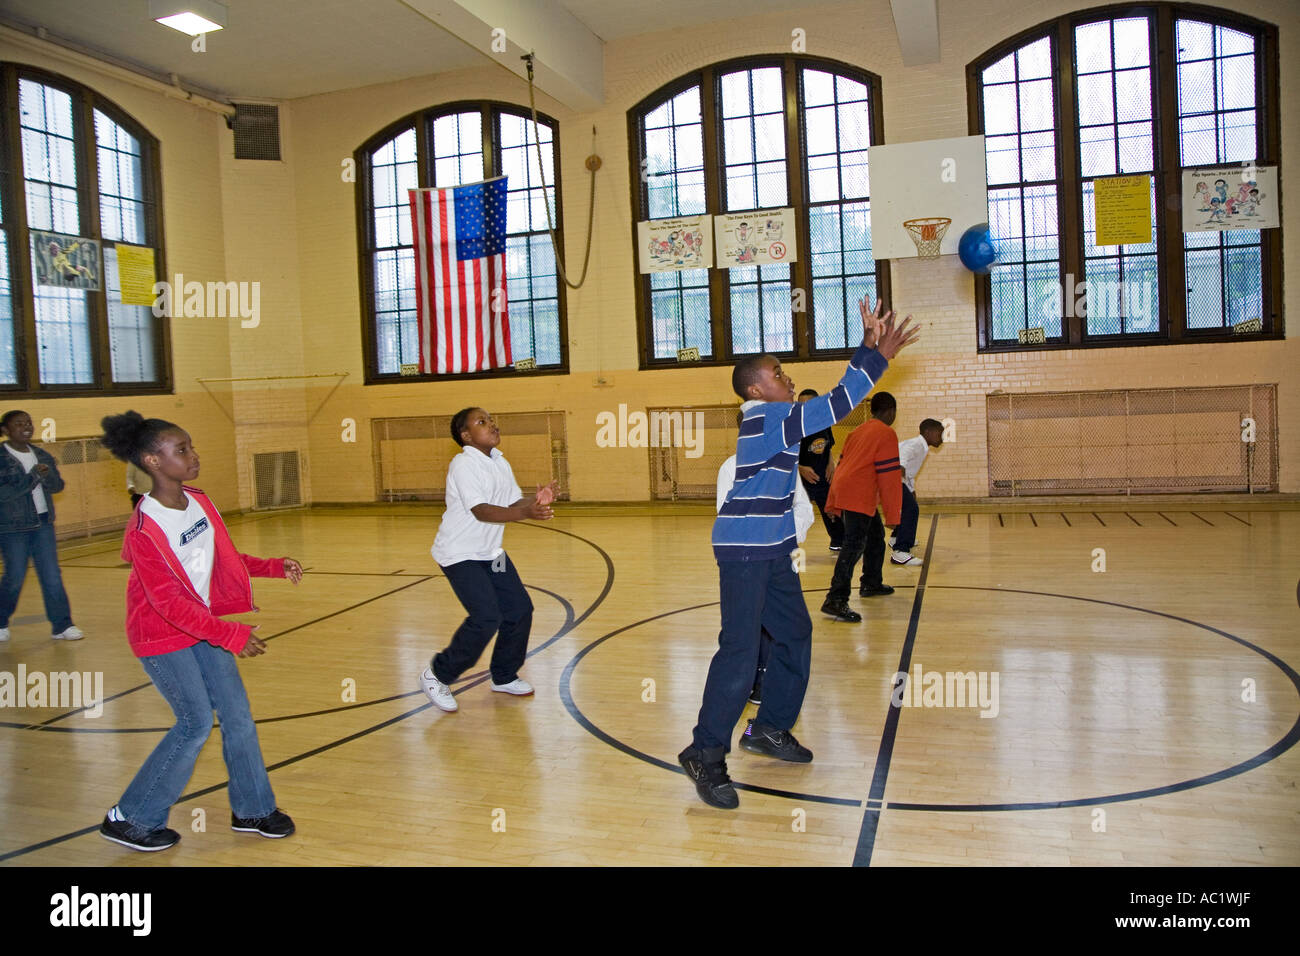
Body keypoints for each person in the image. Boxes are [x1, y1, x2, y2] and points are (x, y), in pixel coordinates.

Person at [679, 299, 918, 810]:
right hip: (745, 552)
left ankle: (768, 729)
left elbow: (828, 406)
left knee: (794, 634)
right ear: (754, 390)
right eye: (778, 374)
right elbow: (835, 404)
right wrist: (873, 352)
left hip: (773, 549)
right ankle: (704, 753)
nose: (786, 379)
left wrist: (870, 348)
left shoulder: (778, 419)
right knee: (740, 651)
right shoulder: (765, 419)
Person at [97, 411, 302, 851]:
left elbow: (221, 556)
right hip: (161, 636)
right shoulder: (145, 529)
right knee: (193, 723)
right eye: (182, 450)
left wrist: (270, 566)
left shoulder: (199, 501)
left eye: (191, 446)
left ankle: (253, 809)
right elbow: (167, 604)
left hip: (201, 626)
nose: (194, 456)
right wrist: (230, 635)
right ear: (152, 461)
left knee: (238, 718)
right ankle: (130, 817)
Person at [419, 407, 557, 713]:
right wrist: (525, 512)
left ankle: (504, 675)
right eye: (482, 422)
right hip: (460, 554)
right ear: (466, 436)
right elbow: (482, 510)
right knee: (486, 617)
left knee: (519, 609)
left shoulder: (499, 461)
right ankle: (437, 674)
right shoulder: (464, 464)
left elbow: (509, 502)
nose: (492, 425)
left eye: (491, 420)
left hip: (491, 553)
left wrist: (536, 500)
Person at [715, 410, 814, 707]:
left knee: (786, 626)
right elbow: (725, 516)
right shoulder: (731, 467)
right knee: (745, 628)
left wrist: (779, 536)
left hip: (783, 556)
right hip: (745, 562)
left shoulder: (787, 464)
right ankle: (746, 685)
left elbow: (804, 510)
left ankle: (770, 692)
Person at [0, 409, 81, 644]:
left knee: (52, 575)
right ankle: (1, 621)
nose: (26, 427)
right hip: (12, 527)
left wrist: (46, 477)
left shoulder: (42, 454)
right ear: (5, 430)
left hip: (43, 524)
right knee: (14, 576)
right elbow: (4, 494)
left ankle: (62, 624)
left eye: (28, 422)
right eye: (18, 424)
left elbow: (57, 487)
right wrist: (33, 476)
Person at [821, 392, 904, 621]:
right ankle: (835, 599)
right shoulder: (886, 434)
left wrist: (832, 499)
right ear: (890, 412)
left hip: (845, 487)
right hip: (859, 492)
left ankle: (871, 582)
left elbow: (842, 464)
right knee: (854, 545)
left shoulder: (857, 431)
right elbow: (889, 477)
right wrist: (894, 514)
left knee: (875, 536)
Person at [892, 418, 944, 566]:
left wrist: (911, 490)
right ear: (928, 432)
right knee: (911, 509)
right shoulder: (916, 444)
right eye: (939, 433)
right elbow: (902, 461)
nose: (942, 438)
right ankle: (900, 551)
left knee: (910, 506)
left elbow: (909, 472)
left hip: (897, 478)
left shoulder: (923, 447)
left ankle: (896, 538)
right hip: (892, 477)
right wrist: (901, 487)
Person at [796, 388, 844, 551]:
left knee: (832, 513)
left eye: (808, 404)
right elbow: (785, 455)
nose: (804, 408)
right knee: (793, 514)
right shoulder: (794, 426)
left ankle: (838, 541)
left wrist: (831, 463)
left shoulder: (825, 422)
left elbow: (828, 446)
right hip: (802, 481)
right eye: (801, 404)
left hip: (824, 477)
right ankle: (785, 546)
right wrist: (800, 468)